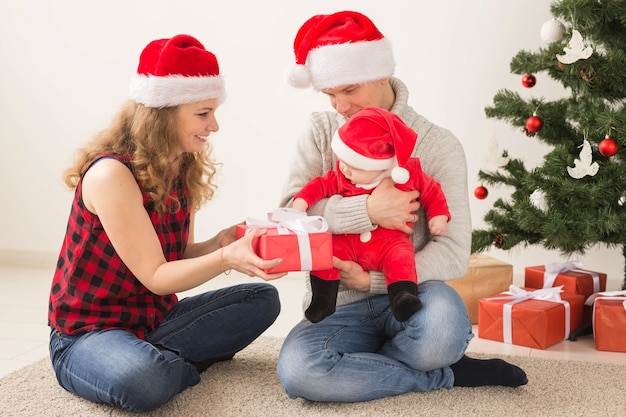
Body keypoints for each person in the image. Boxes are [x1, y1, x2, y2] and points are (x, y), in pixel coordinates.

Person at [277, 11, 528, 402]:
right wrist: (368, 212)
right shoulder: (320, 131)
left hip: (416, 297)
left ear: (381, 73)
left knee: (441, 332)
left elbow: (454, 251)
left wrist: (375, 281)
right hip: (338, 304)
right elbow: (290, 216)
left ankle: (374, 366)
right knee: (299, 372)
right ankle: (441, 375)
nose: (340, 106)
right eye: (330, 95)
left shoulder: (437, 144)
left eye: (349, 90)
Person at [47, 34, 286, 412]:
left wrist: (221, 243)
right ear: (163, 114)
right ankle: (166, 362)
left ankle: (157, 355)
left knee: (262, 299)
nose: (214, 126)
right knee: (143, 380)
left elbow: (181, 254)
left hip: (155, 321)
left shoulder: (181, 165)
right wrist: (225, 260)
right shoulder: (111, 175)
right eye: (203, 114)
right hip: (87, 334)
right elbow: (156, 275)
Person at [291, 107, 450, 323]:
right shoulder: (343, 175)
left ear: (379, 165)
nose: (344, 169)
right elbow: (320, 185)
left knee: (402, 258)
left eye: (354, 165)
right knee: (326, 253)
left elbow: (432, 191)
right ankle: (323, 299)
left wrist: (438, 215)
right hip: (348, 241)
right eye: (342, 160)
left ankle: (402, 297)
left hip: (388, 244)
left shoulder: (408, 175)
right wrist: (301, 201)